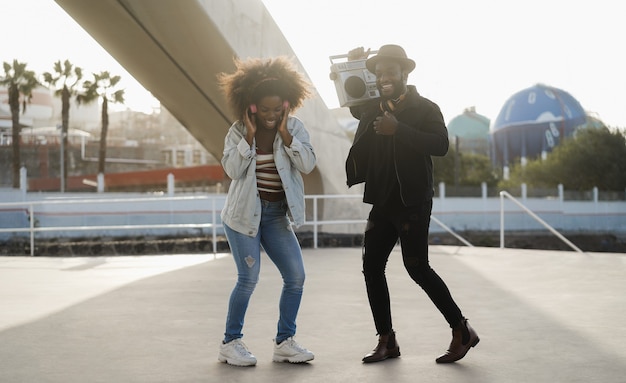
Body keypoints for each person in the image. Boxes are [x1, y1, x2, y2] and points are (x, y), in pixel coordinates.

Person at [345, 44, 480, 364]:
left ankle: (462, 330)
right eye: (378, 73)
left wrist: (399, 129)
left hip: (413, 202)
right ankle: (387, 341)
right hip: (383, 200)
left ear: (404, 73)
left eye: (390, 72)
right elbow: (353, 105)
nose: (383, 78)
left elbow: (441, 145)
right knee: (371, 267)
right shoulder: (372, 107)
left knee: (417, 268)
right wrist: (353, 69)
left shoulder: (426, 108)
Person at [216, 56, 316, 366]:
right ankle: (230, 343)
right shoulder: (237, 131)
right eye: (266, 109)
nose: (271, 115)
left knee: (296, 277)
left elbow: (308, 164)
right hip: (243, 218)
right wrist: (248, 136)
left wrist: (286, 135)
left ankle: (284, 342)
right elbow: (232, 170)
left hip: (275, 216)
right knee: (248, 279)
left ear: (287, 104)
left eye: (277, 109)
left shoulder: (295, 128)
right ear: (252, 106)